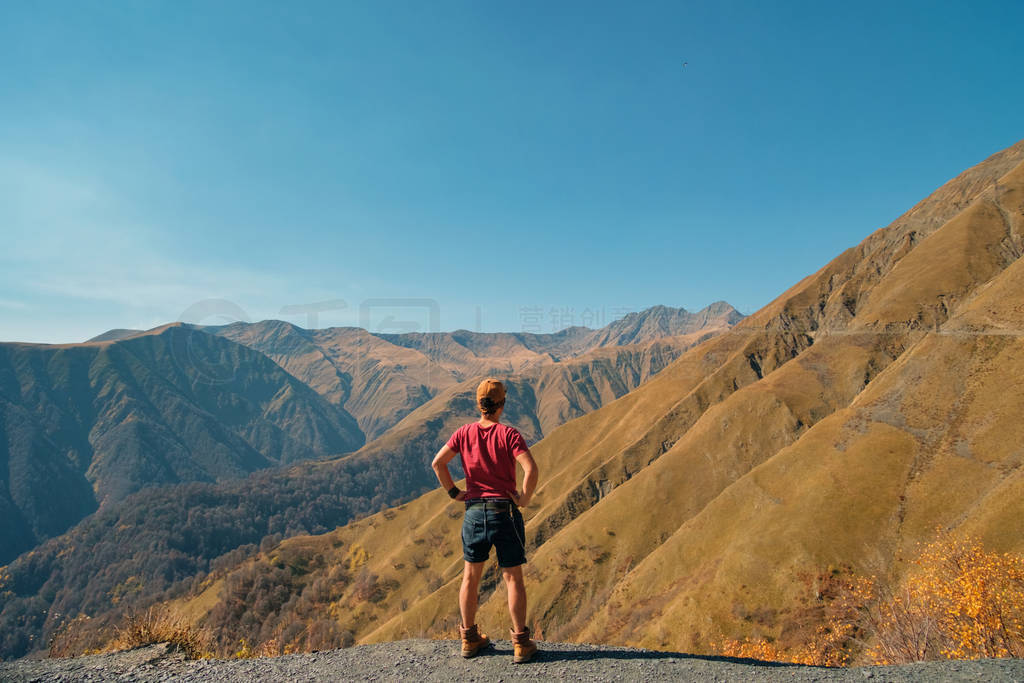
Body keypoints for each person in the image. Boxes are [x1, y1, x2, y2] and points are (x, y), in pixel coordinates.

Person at [431, 378, 540, 663]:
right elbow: (531, 469)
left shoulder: (464, 433)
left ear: (479, 404)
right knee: (513, 578)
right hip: (504, 511)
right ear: (502, 404)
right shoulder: (509, 435)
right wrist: (524, 499)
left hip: (474, 512)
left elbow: (438, 463)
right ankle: (521, 643)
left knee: (470, 576)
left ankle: (468, 639)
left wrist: (455, 492)